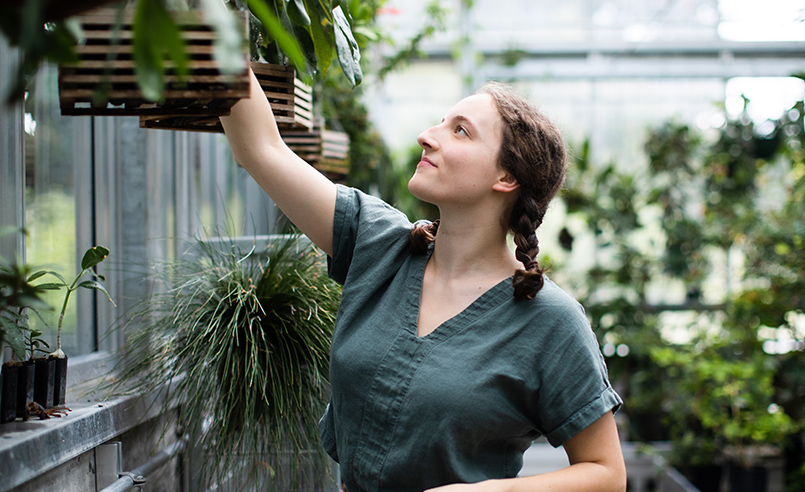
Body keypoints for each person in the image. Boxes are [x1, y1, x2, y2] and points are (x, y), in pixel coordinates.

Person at [220, 68, 626, 492]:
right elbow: (261, 149)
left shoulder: (549, 321)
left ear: (506, 178)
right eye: (441, 122)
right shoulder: (379, 245)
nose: (427, 136)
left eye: (461, 131)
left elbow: (607, 474)